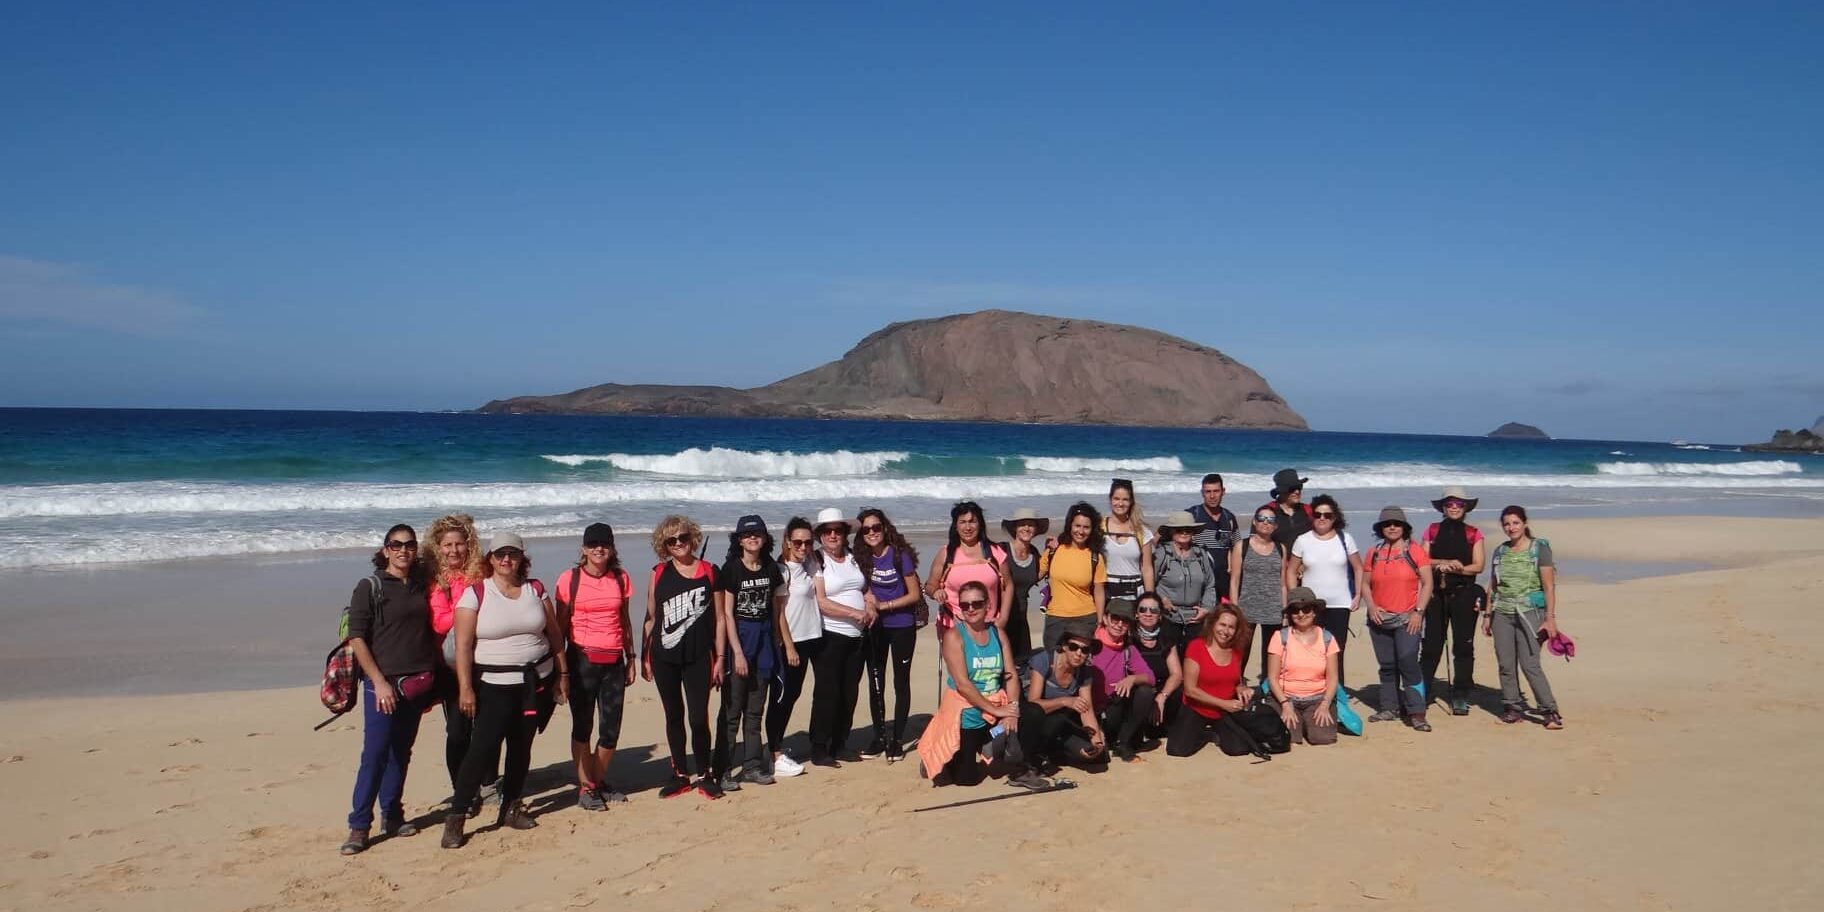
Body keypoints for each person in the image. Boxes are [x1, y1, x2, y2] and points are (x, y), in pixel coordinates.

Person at [443, 533, 568, 849]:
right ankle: (457, 816)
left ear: (522, 558)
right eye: (500, 554)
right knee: (482, 748)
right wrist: (466, 688)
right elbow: (463, 646)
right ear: (490, 558)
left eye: (513, 553)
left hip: (534, 684)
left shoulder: (535, 589)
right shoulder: (476, 594)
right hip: (494, 686)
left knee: (521, 746)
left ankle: (510, 807)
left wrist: (562, 674)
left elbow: (554, 635)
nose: (506, 559)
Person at [341, 524, 440, 855]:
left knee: (401, 751)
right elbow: (357, 637)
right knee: (375, 753)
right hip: (381, 685)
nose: (403, 551)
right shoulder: (369, 586)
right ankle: (358, 826)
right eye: (396, 545)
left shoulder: (419, 585)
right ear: (385, 550)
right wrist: (379, 681)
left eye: (409, 545)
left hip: (416, 683)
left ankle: (393, 816)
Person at [641, 516, 725, 800]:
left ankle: (705, 773)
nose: (678, 544)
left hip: (700, 657)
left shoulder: (710, 571)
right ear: (663, 545)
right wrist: (645, 656)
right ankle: (680, 774)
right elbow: (651, 617)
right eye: (671, 540)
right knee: (673, 715)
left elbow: (721, 619)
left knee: (698, 717)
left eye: (683, 538)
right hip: (664, 656)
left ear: (693, 538)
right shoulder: (659, 573)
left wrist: (721, 657)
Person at [555, 523, 636, 810]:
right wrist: (561, 669)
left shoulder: (620, 578)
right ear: (584, 549)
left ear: (612, 548)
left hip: (614, 660)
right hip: (581, 661)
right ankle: (586, 787)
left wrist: (631, 657)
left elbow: (625, 620)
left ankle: (597, 780)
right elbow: (559, 627)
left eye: (604, 544)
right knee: (583, 726)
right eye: (592, 544)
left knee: (611, 728)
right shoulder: (570, 579)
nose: (598, 549)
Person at [915, 581, 1021, 787]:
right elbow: (963, 685)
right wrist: (997, 711)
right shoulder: (954, 637)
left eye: (977, 603)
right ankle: (943, 757)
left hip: (995, 706)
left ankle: (989, 745)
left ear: (988, 604)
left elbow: (1011, 675)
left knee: (1020, 736)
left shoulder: (998, 634)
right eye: (965, 605)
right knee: (968, 779)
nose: (971, 609)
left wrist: (1012, 709)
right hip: (967, 712)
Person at [424, 513, 493, 812]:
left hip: (485, 660)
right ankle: (461, 788)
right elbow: (439, 624)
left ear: (470, 545)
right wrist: (466, 612)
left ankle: (489, 785)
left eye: (459, 544)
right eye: (447, 545)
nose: (454, 550)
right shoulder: (434, 580)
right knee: (457, 731)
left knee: (489, 727)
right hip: (450, 667)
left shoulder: (481, 575)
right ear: (437, 547)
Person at [713, 515, 786, 790]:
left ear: (765, 538)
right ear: (739, 540)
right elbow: (728, 615)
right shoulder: (731, 569)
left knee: (755, 710)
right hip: (740, 642)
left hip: (764, 643)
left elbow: (776, 609)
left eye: (757, 534)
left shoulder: (770, 568)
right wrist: (738, 654)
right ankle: (722, 770)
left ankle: (753, 766)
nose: (752, 538)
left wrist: (780, 642)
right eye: (746, 535)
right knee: (731, 713)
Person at [1487, 506, 1564, 730]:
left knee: (1530, 664)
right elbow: (1493, 584)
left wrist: (1550, 619)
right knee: (1505, 664)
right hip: (1502, 613)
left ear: (1525, 523)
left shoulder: (1539, 549)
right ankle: (1512, 707)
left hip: (1531, 612)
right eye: (1507, 524)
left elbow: (1549, 587)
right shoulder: (1500, 551)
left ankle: (1549, 710)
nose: (1511, 528)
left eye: (1515, 523)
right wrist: (1487, 614)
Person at [856, 508, 922, 761]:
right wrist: (868, 599)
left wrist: (886, 606)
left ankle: (897, 740)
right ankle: (880, 737)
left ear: (885, 529)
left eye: (876, 527)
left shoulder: (899, 556)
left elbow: (914, 594)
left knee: (900, 682)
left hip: (902, 625)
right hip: (876, 627)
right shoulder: (862, 558)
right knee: (876, 683)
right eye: (866, 529)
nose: (871, 532)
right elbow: (858, 585)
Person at [808, 507, 872, 766]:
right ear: (821, 536)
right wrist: (855, 613)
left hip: (857, 637)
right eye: (827, 531)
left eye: (838, 531)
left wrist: (870, 604)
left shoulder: (853, 556)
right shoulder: (817, 561)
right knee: (827, 692)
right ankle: (819, 747)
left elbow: (864, 587)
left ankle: (840, 742)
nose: (833, 535)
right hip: (830, 636)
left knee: (849, 691)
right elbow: (822, 602)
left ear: (845, 534)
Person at [1360, 508, 1432, 731]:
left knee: (1409, 662)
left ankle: (1417, 712)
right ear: (1381, 528)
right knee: (1388, 666)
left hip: (1408, 618)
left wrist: (1418, 612)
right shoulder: (1373, 552)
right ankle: (1389, 707)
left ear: (1404, 528)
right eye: (1387, 524)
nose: (1392, 527)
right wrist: (1371, 606)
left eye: (1397, 524)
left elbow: (1427, 583)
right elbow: (1364, 584)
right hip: (1379, 619)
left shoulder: (1416, 551)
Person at [1421, 487, 1489, 716]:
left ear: (1465, 507)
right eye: (1450, 504)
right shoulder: (1432, 530)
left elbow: (1479, 565)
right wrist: (1442, 562)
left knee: (1463, 645)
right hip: (1436, 595)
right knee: (1431, 644)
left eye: (1459, 504)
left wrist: (1459, 567)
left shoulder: (1474, 533)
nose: (1454, 508)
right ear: (1443, 507)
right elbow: (1422, 560)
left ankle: (1460, 693)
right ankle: (1423, 690)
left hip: (1464, 593)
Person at [1287, 494, 1361, 685]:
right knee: (1311, 648)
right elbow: (1291, 570)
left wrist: (1358, 595)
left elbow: (1359, 568)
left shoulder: (1346, 539)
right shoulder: (1302, 540)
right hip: (1310, 606)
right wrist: (1294, 598)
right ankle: (1313, 688)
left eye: (1327, 515)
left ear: (1334, 517)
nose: (1322, 518)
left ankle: (1338, 693)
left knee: (1336, 650)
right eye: (1318, 514)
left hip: (1340, 604)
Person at [765, 517, 820, 778]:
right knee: (781, 697)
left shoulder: (811, 563)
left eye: (808, 542)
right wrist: (788, 646)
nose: (803, 546)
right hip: (792, 642)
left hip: (812, 638)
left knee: (793, 694)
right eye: (797, 541)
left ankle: (776, 747)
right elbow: (779, 613)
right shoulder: (781, 569)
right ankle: (774, 754)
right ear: (787, 541)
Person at [1167, 604, 1255, 757]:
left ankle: (1216, 731)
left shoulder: (1237, 650)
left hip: (1223, 710)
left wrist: (1241, 688)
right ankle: (1201, 732)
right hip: (1198, 707)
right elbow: (1190, 690)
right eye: (1222, 624)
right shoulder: (1196, 647)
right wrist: (1223, 703)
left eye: (1231, 627)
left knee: (1239, 749)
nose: (1226, 631)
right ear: (1213, 623)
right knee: (1178, 750)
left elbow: (1235, 680)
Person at [1019, 630, 1106, 772]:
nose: (1079, 653)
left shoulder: (1084, 672)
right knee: (1052, 717)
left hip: (1061, 724)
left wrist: (1097, 742)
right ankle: (1032, 759)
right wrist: (1065, 701)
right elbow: (1033, 704)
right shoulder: (1044, 660)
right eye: (1073, 647)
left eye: (1084, 650)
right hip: (1032, 722)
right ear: (1064, 646)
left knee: (1096, 755)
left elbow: (1086, 709)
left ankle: (1055, 752)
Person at [1265, 587, 1341, 747]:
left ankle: (1308, 722)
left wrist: (1325, 704)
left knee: (1322, 737)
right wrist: (1285, 705)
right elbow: (1272, 677)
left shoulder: (1327, 638)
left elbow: (1333, 677)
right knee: (1289, 738)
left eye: (1306, 609)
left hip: (1318, 698)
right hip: (1285, 698)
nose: (1301, 614)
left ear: (1314, 611)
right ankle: (1298, 723)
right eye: (1295, 610)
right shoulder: (1280, 637)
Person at [926, 501, 1013, 632]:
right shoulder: (946, 554)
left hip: (990, 626)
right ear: (955, 526)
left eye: (972, 521)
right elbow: (930, 585)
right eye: (963, 522)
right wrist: (935, 592)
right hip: (953, 627)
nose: (968, 527)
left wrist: (1003, 619)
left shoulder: (995, 553)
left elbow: (1008, 585)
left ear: (980, 524)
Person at [1089, 599, 1157, 761]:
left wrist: (1132, 678)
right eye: (1115, 619)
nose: (1119, 624)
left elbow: (1151, 678)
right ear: (1105, 618)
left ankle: (1123, 742)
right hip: (1093, 712)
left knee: (1145, 692)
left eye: (1125, 621)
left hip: (1116, 707)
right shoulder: (1088, 645)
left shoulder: (1128, 648)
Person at [1038, 502, 1108, 652]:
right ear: (1070, 525)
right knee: (1054, 665)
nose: (1081, 531)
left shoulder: (1095, 557)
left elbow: (1099, 591)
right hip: (1055, 618)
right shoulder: (1054, 550)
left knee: (1081, 666)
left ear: (1092, 529)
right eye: (1077, 526)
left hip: (1085, 619)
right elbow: (1034, 575)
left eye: (1086, 527)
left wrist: (1100, 621)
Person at [1229, 505, 1289, 678]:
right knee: (1241, 653)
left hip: (1273, 610)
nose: (1266, 523)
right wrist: (1235, 609)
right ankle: (1236, 687)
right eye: (1262, 519)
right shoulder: (1242, 546)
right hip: (1247, 609)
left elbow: (1283, 583)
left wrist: (1285, 613)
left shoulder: (1281, 548)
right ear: (1254, 522)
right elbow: (1234, 580)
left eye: (1270, 520)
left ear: (1275, 526)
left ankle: (1268, 691)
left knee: (1271, 655)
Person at [1150, 510, 1220, 651]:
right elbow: (1150, 582)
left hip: (1196, 619)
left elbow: (1210, 585)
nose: (1184, 532)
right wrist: (1161, 599)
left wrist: (1206, 609)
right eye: (1179, 529)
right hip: (1168, 618)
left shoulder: (1201, 555)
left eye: (1188, 529)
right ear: (1171, 532)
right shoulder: (1162, 554)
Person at [1131, 592, 1183, 745]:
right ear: (1136, 614)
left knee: (1179, 690)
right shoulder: (1128, 637)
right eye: (1143, 609)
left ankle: (1165, 726)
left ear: (1160, 615)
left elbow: (1176, 674)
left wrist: (1162, 696)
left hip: (1161, 691)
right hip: (1139, 693)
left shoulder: (1167, 636)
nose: (1148, 613)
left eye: (1153, 610)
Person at [998, 507, 1049, 664]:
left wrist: (1050, 551)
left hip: (1021, 620)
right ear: (1015, 528)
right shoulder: (1001, 550)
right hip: (1000, 619)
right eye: (1022, 524)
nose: (1027, 528)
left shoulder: (1034, 553)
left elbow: (1036, 576)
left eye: (1031, 525)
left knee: (1021, 666)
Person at [1187, 473, 1240, 598]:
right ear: (1202, 493)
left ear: (1223, 492)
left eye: (1216, 491)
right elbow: (1164, 537)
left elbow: (1237, 549)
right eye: (1208, 491)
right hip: (1198, 583)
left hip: (1223, 583)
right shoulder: (1192, 515)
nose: (1212, 496)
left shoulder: (1229, 518)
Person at [1101, 478, 1154, 601]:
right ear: (1110, 500)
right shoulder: (1099, 528)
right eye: (1116, 499)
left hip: (1134, 596)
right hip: (1107, 595)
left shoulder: (1142, 531)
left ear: (1131, 502)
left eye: (1125, 499)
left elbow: (1147, 568)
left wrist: (1150, 599)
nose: (1120, 504)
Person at [1260, 468, 1314, 549]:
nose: (1297, 492)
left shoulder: (1308, 510)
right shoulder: (1267, 512)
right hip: (1277, 560)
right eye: (1292, 489)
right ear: (1281, 491)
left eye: (1299, 487)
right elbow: (1256, 543)